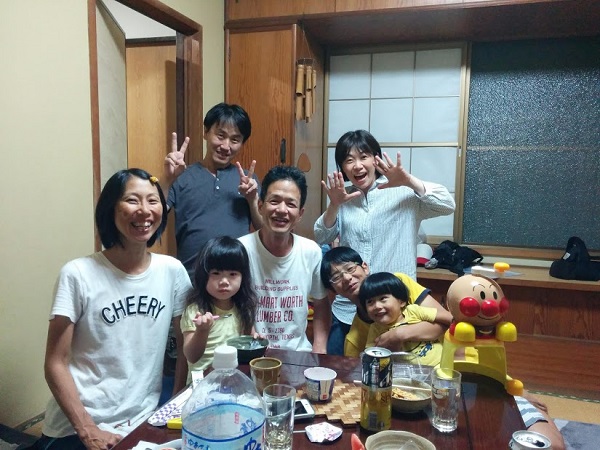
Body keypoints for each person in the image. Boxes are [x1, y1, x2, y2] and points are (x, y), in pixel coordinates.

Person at [32, 169, 192, 450]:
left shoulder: (172, 271)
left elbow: (185, 347)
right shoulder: (78, 274)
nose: (145, 211)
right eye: (132, 200)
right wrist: (88, 430)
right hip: (76, 428)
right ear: (111, 208)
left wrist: (173, 405)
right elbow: (55, 363)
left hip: (142, 421)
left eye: (153, 201)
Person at [314, 129, 455, 355]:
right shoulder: (344, 198)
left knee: (399, 372)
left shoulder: (403, 193)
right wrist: (334, 205)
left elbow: (447, 204)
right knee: (340, 371)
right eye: (349, 160)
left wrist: (408, 180)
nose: (357, 166)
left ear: (376, 159)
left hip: (396, 310)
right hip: (349, 311)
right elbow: (321, 236)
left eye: (364, 157)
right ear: (342, 168)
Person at [239, 166, 331, 353]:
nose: (282, 210)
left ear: (300, 214)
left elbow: (321, 304)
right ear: (260, 205)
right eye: (274, 201)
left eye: (291, 204)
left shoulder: (311, 251)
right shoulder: (241, 249)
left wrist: (319, 349)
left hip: (298, 355)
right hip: (252, 352)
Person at [163, 102, 262, 276]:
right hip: (190, 279)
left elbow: (265, 232)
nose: (226, 146)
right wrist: (168, 180)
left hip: (235, 280)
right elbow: (155, 216)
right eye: (220, 135)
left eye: (235, 140)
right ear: (206, 132)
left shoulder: (248, 182)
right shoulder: (182, 177)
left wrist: (252, 200)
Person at [321, 246, 449, 358]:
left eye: (350, 268)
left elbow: (447, 322)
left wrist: (399, 334)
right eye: (336, 277)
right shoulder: (354, 338)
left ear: (365, 267)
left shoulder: (397, 284)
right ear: (333, 290)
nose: (347, 278)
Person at [181, 236, 258, 383]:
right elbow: (192, 356)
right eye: (216, 273)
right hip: (202, 384)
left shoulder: (244, 308)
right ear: (204, 276)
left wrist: (256, 341)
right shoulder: (196, 311)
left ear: (243, 277)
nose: (224, 281)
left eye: (232, 274)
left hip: (233, 380)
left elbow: (249, 341)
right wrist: (202, 330)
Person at [358, 272, 451, 365]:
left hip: (439, 366)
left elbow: (450, 318)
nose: (377, 306)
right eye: (370, 302)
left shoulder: (413, 311)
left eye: (383, 299)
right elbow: (370, 359)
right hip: (403, 372)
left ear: (401, 301)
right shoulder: (375, 329)